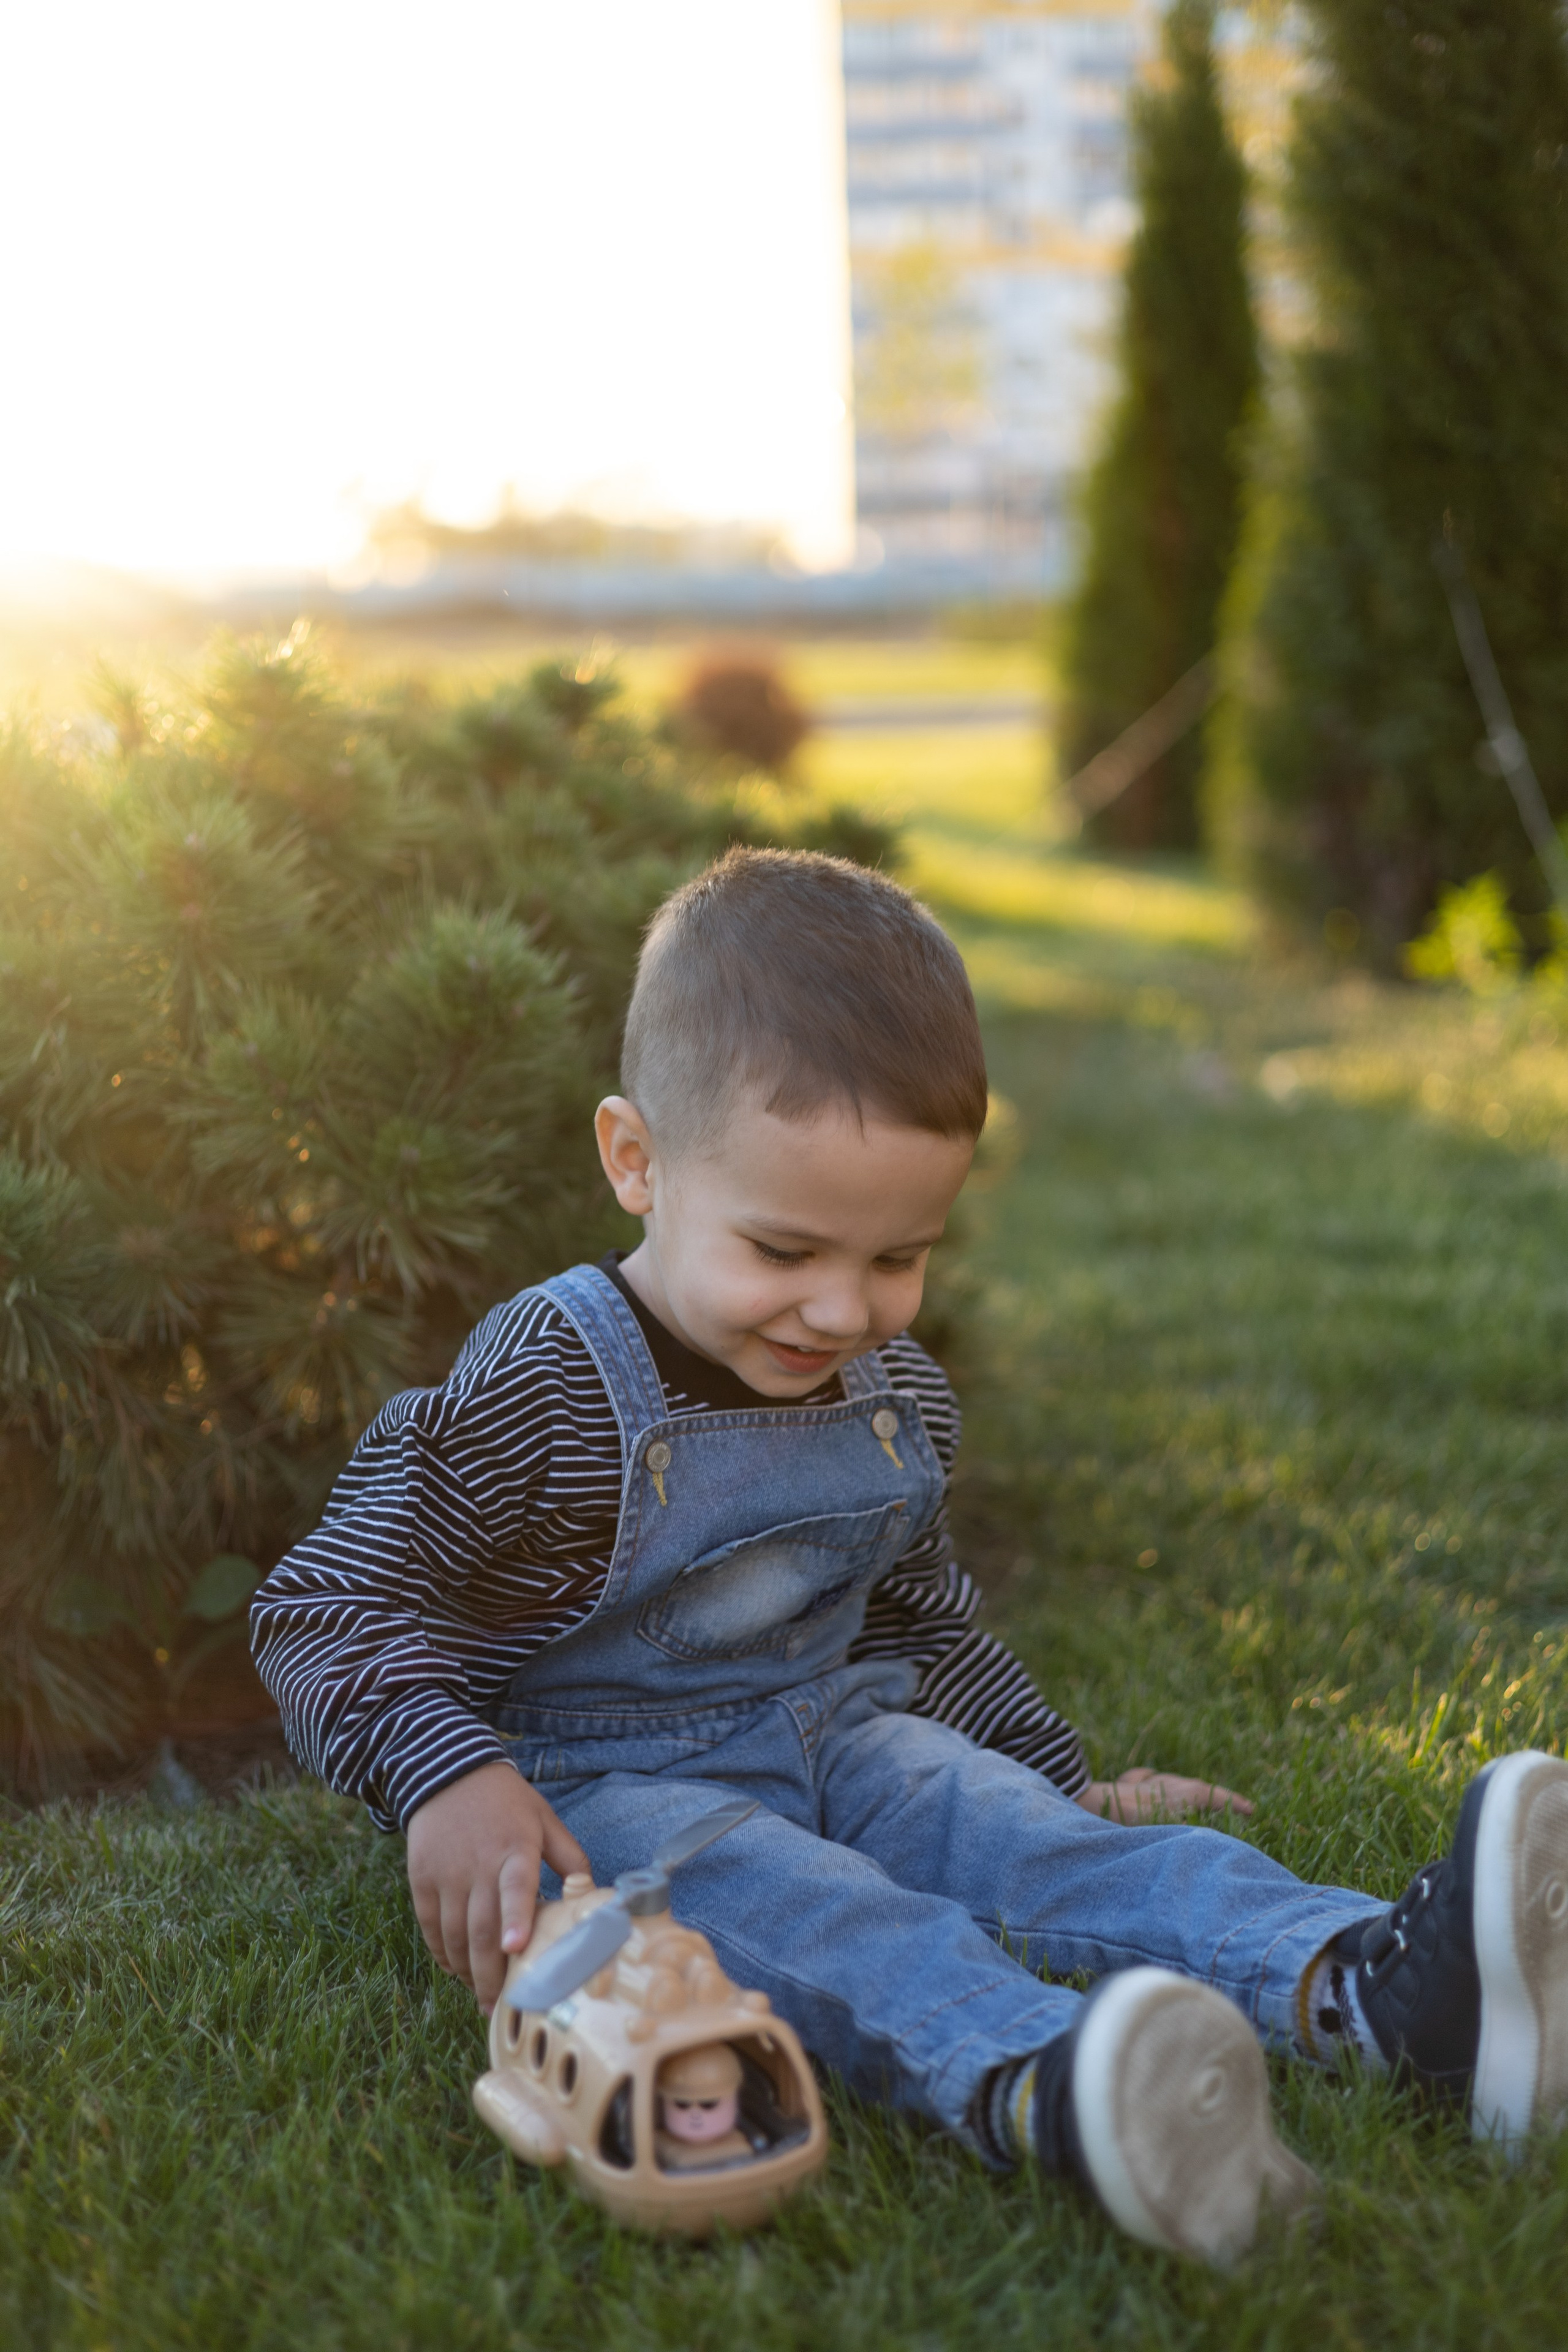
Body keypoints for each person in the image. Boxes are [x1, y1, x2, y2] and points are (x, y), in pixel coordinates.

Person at [251, 848, 1568, 2265]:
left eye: (898, 1258)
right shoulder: (550, 1385)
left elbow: (924, 1622)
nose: (841, 1310)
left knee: (1034, 1845)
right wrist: (450, 1775)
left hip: (845, 1737)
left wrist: (1062, 1775)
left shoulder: (895, 1396)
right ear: (635, 1161)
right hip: (608, 1793)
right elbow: (327, 1601)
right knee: (815, 1911)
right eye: (784, 1248)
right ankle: (1058, 2087)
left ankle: (1374, 1989)